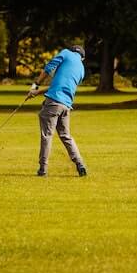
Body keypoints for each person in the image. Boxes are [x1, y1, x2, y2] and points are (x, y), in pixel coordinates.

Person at [27, 45, 88, 177]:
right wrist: (36, 93)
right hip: (66, 106)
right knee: (66, 136)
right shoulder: (82, 70)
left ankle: (43, 169)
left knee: (47, 135)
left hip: (53, 103)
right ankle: (80, 163)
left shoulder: (66, 53)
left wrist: (35, 84)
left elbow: (49, 68)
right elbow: (59, 86)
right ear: (82, 58)